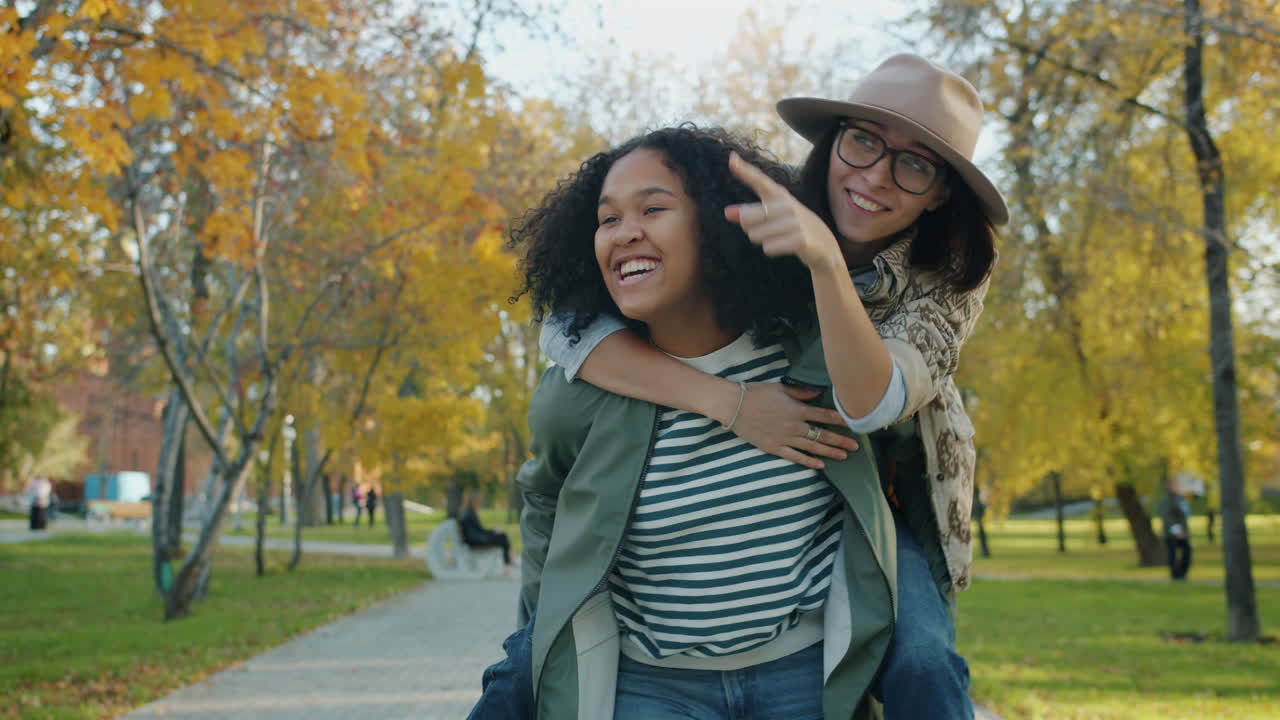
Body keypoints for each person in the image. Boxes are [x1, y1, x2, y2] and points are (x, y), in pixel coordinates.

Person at [538, 54, 1007, 719]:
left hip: (888, 483)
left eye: (915, 164)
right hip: (785, 449)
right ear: (834, 138)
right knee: (528, 659)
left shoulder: (952, 274)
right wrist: (728, 404)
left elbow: (874, 404)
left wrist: (823, 264)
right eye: (863, 141)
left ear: (939, 193)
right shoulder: (763, 204)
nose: (875, 176)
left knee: (927, 665)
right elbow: (566, 332)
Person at [470, 125, 895, 720]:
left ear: (718, 226)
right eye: (608, 218)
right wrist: (541, 647)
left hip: (803, 676)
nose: (626, 233)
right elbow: (544, 506)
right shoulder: (584, 393)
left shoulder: (809, 354)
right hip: (654, 686)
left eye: (653, 208)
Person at [458, 490, 513, 565]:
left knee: (502, 536)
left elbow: (478, 530)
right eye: (479, 501)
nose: (480, 503)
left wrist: (493, 531)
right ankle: (508, 562)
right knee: (502, 537)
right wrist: (492, 533)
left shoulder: (468, 513)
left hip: (476, 539)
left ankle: (508, 561)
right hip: (475, 541)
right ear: (474, 502)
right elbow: (476, 533)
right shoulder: (469, 514)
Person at [1159, 476, 1193, 580]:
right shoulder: (1167, 500)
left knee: (1187, 550)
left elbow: (1184, 515)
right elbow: (1167, 517)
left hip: (1182, 531)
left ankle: (1182, 574)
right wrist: (1177, 531)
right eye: (1175, 485)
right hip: (1172, 533)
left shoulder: (1180, 499)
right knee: (1172, 553)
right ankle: (1176, 575)